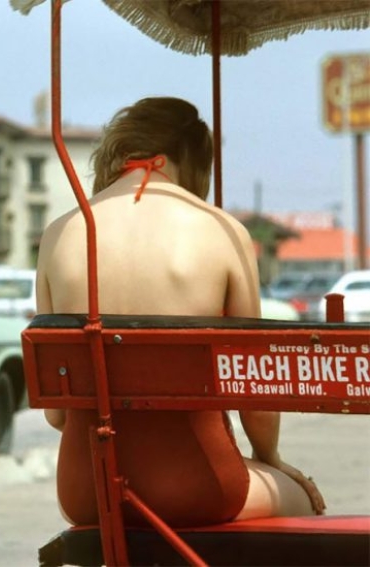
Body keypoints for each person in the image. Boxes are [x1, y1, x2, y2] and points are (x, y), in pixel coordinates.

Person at [35, 97, 325, 527]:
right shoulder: (221, 230)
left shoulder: (59, 233)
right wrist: (271, 460)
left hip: (86, 489)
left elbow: (58, 413)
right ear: (185, 160)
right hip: (199, 484)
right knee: (305, 503)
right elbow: (256, 396)